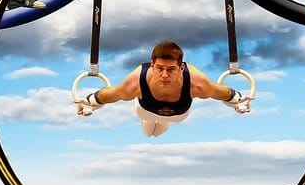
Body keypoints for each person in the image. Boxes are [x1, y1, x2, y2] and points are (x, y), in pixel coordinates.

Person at [79, 40, 254, 137]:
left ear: (181, 68)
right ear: (152, 64)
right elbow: (112, 94)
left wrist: (240, 100)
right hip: (145, 111)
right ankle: (151, 121)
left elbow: (221, 92)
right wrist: (87, 101)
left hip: (178, 115)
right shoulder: (136, 83)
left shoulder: (197, 83)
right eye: (159, 68)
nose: (164, 74)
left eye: (170, 69)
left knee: (160, 129)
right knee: (148, 132)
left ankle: (164, 121)